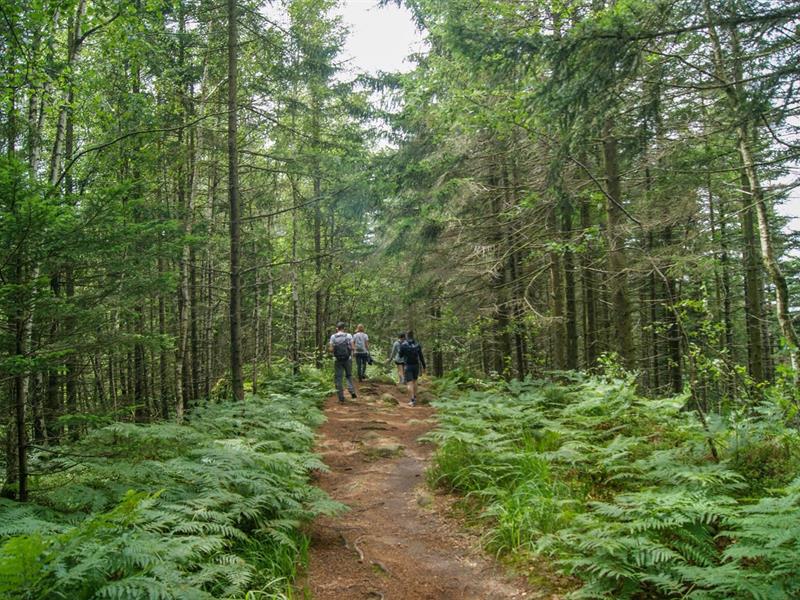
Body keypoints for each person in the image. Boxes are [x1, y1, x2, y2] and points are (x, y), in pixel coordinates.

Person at [329, 322, 357, 403]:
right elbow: (352, 347)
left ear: (337, 328)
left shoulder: (333, 337)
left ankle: (341, 398)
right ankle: (351, 391)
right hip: (348, 359)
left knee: (338, 378)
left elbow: (331, 349)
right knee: (348, 375)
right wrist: (353, 353)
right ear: (344, 328)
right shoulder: (348, 335)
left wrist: (333, 350)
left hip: (337, 360)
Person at [399, 330, 426, 406]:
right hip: (416, 365)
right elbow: (421, 356)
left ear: (407, 336)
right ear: (413, 336)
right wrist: (424, 366)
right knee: (415, 381)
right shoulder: (417, 344)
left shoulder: (403, 344)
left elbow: (400, 355)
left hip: (408, 365)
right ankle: (415, 397)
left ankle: (412, 399)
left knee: (409, 383)